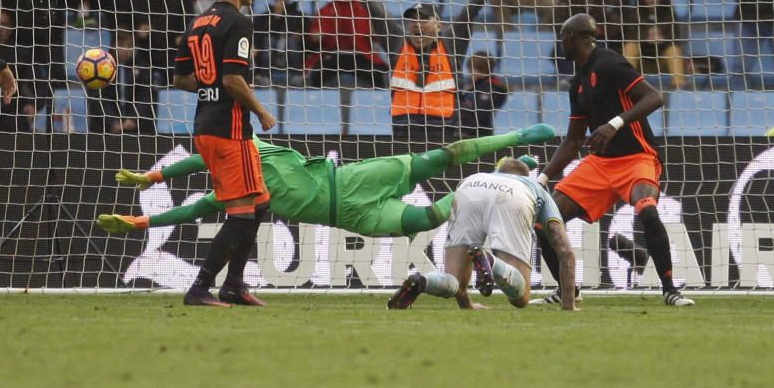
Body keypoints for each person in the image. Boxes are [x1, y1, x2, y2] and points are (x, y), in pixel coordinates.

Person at [100, 125, 557, 273]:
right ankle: (504, 179)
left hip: (354, 179)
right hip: (354, 213)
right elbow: (190, 208)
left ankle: (517, 138)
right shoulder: (231, 193)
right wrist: (141, 223)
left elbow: (199, 159)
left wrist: (151, 174)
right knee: (427, 218)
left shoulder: (249, 147)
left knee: (440, 157)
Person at [531, 13, 694, 307]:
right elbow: (572, 140)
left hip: (636, 157)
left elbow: (654, 98)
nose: (560, 42)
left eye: (564, 36)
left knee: (647, 210)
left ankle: (670, 289)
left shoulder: (609, 63)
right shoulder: (577, 82)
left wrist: (614, 123)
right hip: (601, 163)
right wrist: (542, 179)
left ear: (579, 38)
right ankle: (568, 291)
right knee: (545, 221)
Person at [171, 0, 277, 307]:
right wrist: (261, 110)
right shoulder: (238, 22)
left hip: (205, 125)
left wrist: (209, 85)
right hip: (230, 129)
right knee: (243, 213)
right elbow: (233, 80)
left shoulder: (198, 22)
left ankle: (234, 283)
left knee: (260, 201)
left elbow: (182, 79)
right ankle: (200, 287)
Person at [386, 156, 576, 310]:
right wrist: (569, 305)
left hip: (469, 189)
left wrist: (467, 305)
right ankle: (491, 262)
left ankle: (422, 281)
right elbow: (565, 250)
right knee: (521, 297)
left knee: (454, 281)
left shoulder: (476, 177)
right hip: (515, 196)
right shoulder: (533, 186)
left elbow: (460, 287)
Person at [390, 3, 459, 142]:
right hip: (404, 124)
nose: (416, 24)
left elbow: (471, 11)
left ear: (439, 26)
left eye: (423, 19)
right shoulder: (398, 43)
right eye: (413, 20)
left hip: (442, 125)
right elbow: (376, 12)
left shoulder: (451, 45)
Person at [458, 52, 508, 138]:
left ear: (483, 70)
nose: (470, 74)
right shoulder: (472, 85)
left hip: (481, 133)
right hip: (465, 131)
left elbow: (481, 113)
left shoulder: (495, 88)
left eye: (471, 70)